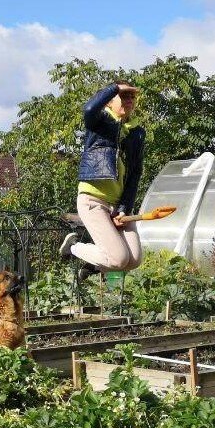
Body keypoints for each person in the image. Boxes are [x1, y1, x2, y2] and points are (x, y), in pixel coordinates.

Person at [60, 81, 146, 280]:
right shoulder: (99, 123)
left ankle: (93, 264)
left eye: (132, 96)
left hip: (118, 205)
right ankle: (72, 247)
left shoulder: (137, 133)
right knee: (118, 259)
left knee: (133, 260)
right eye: (124, 96)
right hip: (93, 200)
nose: (129, 100)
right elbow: (89, 108)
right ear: (108, 101)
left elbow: (135, 173)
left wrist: (124, 207)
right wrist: (115, 87)